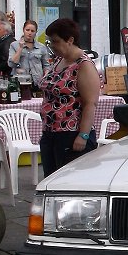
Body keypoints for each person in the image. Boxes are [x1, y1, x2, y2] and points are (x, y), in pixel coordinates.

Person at [38, 18, 100, 176]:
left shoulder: (84, 65)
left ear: (70, 40)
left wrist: (83, 135)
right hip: (50, 132)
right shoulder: (59, 60)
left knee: (67, 181)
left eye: (56, 41)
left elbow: (90, 103)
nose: (52, 45)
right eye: (50, 41)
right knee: (50, 180)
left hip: (71, 134)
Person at [9, 19, 51, 86]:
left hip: (37, 82)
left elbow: (46, 65)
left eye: (32, 31)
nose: (30, 33)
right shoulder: (14, 45)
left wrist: (45, 77)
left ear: (36, 32)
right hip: (20, 82)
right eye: (27, 30)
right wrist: (20, 48)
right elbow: (11, 64)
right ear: (23, 30)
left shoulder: (41, 47)